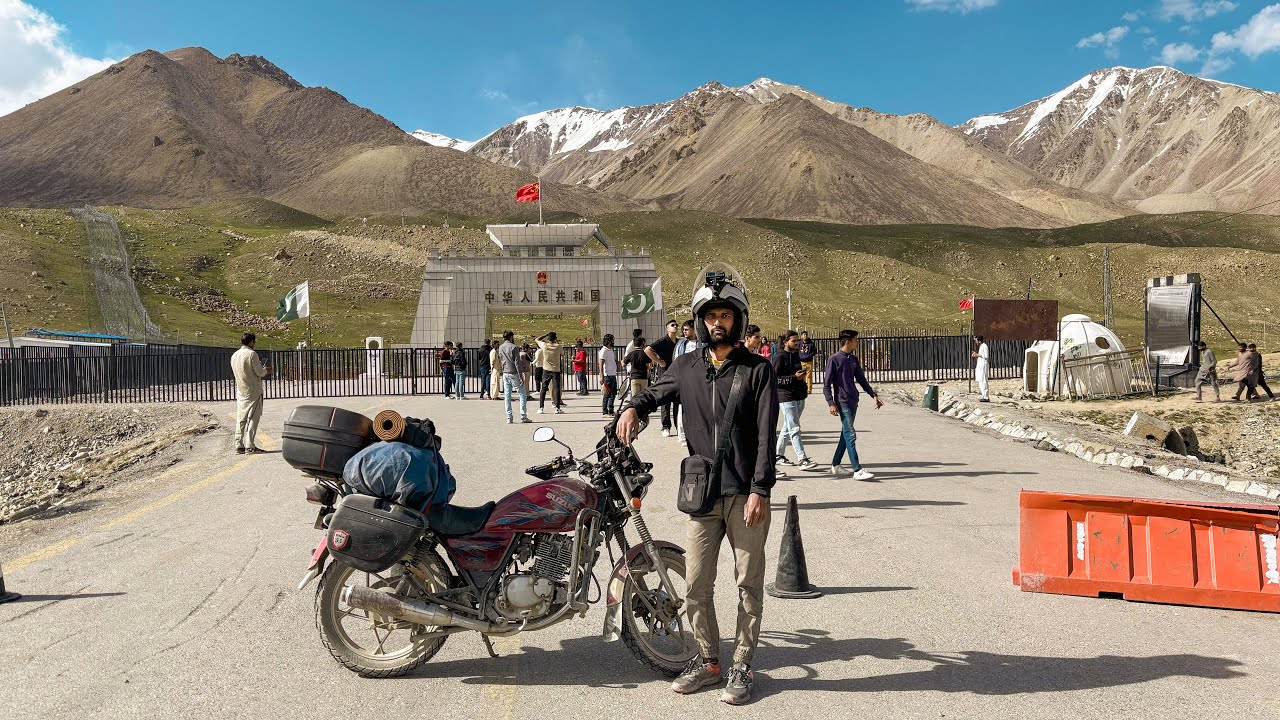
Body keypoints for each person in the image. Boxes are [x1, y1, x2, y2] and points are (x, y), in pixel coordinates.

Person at [616, 270, 777, 705]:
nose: (717, 323)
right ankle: (708, 661)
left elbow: (766, 436)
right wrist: (631, 406)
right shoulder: (685, 367)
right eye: (711, 316)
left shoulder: (757, 370)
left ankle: (742, 664)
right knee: (695, 585)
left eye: (726, 315)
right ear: (700, 320)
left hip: (745, 494)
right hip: (702, 493)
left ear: (738, 320)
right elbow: (654, 392)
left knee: (748, 583)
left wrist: (760, 490)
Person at [824, 329, 882, 480]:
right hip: (842, 401)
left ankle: (835, 465)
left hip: (853, 400)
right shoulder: (834, 359)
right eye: (856, 340)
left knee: (845, 435)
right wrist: (830, 402)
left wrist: (873, 394)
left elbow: (862, 380)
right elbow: (826, 384)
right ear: (848, 341)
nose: (858, 342)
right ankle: (857, 469)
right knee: (850, 434)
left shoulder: (853, 359)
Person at [773, 330, 817, 470]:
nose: (797, 343)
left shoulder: (796, 355)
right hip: (786, 396)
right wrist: (793, 378)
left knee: (788, 426)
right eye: (794, 341)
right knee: (795, 428)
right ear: (786, 342)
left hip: (799, 395)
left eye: (798, 341)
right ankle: (802, 459)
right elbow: (775, 379)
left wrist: (801, 382)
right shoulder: (779, 357)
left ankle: (778, 455)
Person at [231, 332, 272, 454]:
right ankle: (250, 445)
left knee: (241, 418)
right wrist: (266, 370)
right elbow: (259, 372)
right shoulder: (252, 354)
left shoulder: (235, 355)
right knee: (254, 417)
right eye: (254, 342)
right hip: (253, 390)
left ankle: (239, 444)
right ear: (251, 342)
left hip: (241, 390)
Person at [646, 320, 681, 437]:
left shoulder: (680, 341)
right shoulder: (663, 341)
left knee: (677, 402)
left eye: (676, 325)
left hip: (677, 375)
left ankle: (678, 426)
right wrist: (659, 361)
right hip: (665, 375)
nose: (675, 327)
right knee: (665, 402)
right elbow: (647, 350)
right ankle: (666, 426)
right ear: (667, 328)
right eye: (672, 325)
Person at [674, 320, 701, 441]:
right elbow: (676, 360)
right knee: (682, 408)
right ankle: (682, 435)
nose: (683, 332)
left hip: (699, 381)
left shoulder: (702, 344)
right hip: (685, 380)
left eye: (686, 329)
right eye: (683, 330)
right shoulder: (681, 344)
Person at [498, 331, 531, 423]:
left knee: (507, 395)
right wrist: (521, 376)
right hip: (514, 372)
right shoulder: (514, 347)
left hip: (505, 372)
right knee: (522, 394)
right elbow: (517, 363)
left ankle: (509, 416)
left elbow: (500, 359)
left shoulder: (501, 347)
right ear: (511, 337)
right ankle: (523, 415)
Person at [536, 331, 564, 414]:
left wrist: (545, 335)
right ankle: (557, 407)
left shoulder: (544, 346)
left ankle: (541, 407)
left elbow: (537, 339)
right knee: (556, 388)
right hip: (556, 370)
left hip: (546, 369)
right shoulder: (558, 346)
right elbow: (562, 354)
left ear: (548, 339)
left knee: (544, 388)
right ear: (555, 338)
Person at [599, 334, 619, 417]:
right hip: (608, 375)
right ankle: (605, 410)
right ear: (608, 341)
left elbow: (612, 361)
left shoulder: (610, 350)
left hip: (613, 374)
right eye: (612, 340)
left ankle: (611, 410)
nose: (613, 342)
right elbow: (601, 364)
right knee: (607, 394)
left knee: (613, 393)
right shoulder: (603, 351)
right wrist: (601, 376)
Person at [972, 335, 990, 402]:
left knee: (983, 380)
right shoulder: (981, 346)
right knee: (980, 380)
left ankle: (986, 396)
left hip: (983, 365)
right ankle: (983, 395)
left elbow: (986, 356)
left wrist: (977, 355)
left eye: (976, 340)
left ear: (979, 340)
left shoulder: (984, 346)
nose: (975, 342)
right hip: (980, 365)